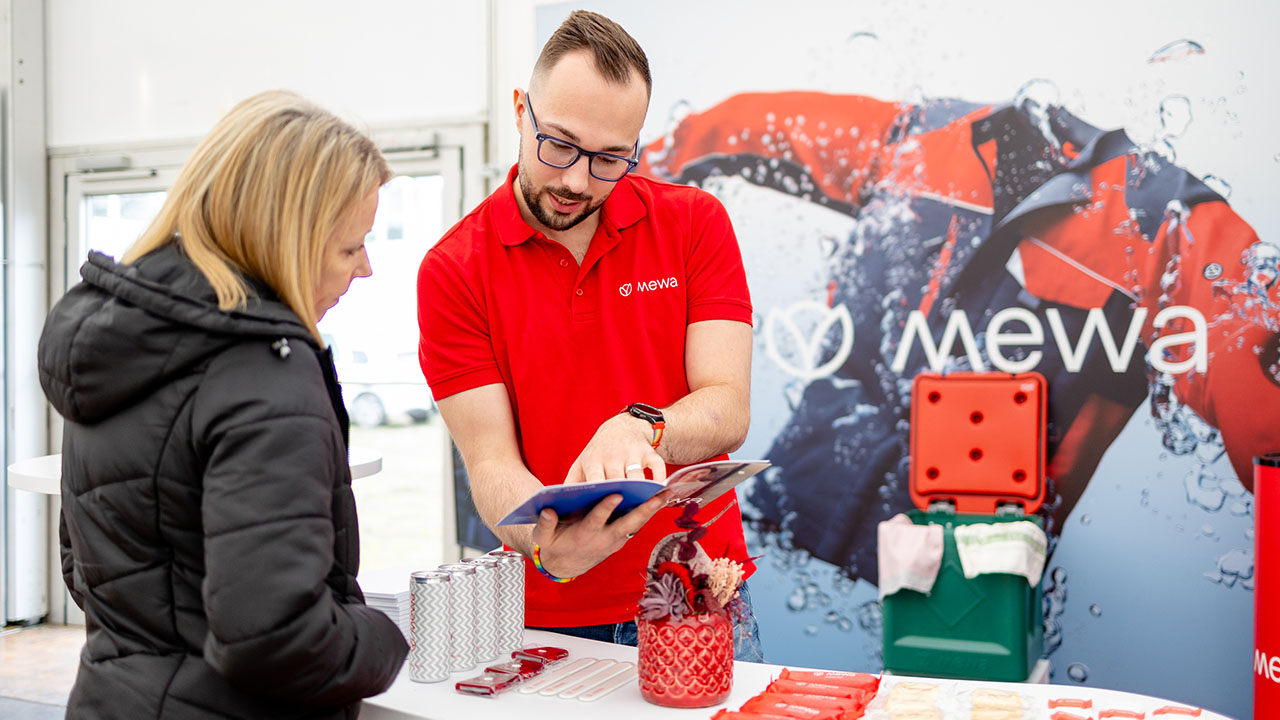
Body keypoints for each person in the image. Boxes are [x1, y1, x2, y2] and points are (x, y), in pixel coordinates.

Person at [635, 89, 1280, 584]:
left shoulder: (1166, 224)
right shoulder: (917, 140)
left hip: (968, 583)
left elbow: (1261, 395)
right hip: (785, 526)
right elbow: (736, 129)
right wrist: (622, 198)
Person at [38, 90, 409, 719]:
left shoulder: (123, 342)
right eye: (351, 248)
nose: (366, 268)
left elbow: (85, 571)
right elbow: (277, 638)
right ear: (288, 240)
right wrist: (385, 638)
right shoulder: (266, 375)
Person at [417, 10, 762, 658]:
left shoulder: (694, 223)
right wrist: (543, 543)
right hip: (547, 612)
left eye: (609, 159)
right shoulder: (454, 269)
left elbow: (727, 407)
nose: (577, 180)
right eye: (560, 145)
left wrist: (640, 427)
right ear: (520, 111)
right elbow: (491, 463)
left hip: (695, 596)